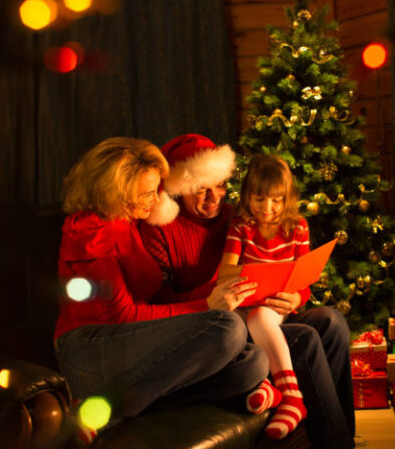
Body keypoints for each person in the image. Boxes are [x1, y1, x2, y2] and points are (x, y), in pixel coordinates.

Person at [138, 134, 395, 449]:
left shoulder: (236, 214)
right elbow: (156, 305)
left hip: (270, 312)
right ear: (179, 188)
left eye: (220, 187)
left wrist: (297, 296)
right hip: (223, 328)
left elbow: (286, 269)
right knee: (307, 340)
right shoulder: (159, 229)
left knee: (331, 321)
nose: (214, 199)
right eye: (201, 190)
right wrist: (209, 297)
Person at [53, 137, 278, 421]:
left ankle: (127, 403)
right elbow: (124, 315)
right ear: (116, 192)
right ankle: (101, 407)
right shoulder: (90, 231)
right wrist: (207, 306)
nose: (156, 199)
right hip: (92, 347)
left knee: (252, 363)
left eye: (156, 190)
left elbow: (153, 302)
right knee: (228, 327)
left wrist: (217, 293)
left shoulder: (130, 221)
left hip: (134, 342)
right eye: (147, 193)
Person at [219, 154, 310, 440]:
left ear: (287, 198)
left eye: (275, 200)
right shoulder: (240, 226)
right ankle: (262, 388)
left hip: (274, 304)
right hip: (246, 300)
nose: (267, 208)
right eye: (259, 199)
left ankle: (291, 396)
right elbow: (225, 272)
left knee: (260, 317)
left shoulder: (297, 227)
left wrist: (296, 298)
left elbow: (304, 279)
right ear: (247, 196)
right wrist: (245, 275)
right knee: (227, 325)